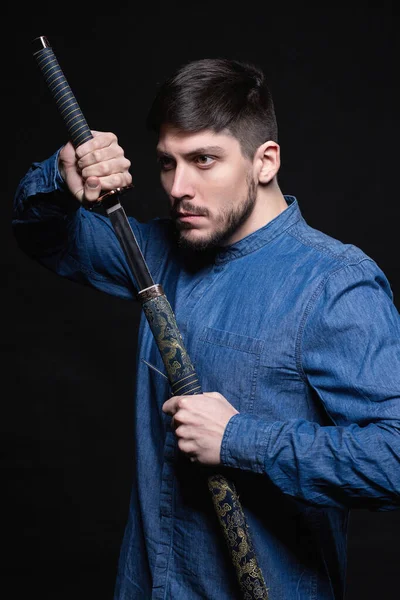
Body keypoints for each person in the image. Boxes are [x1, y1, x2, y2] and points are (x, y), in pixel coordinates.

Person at [12, 57, 400, 600]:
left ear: (264, 162)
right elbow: (42, 236)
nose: (178, 187)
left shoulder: (334, 284)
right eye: (168, 164)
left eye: (204, 160)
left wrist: (240, 439)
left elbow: (394, 458)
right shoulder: (155, 253)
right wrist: (61, 178)